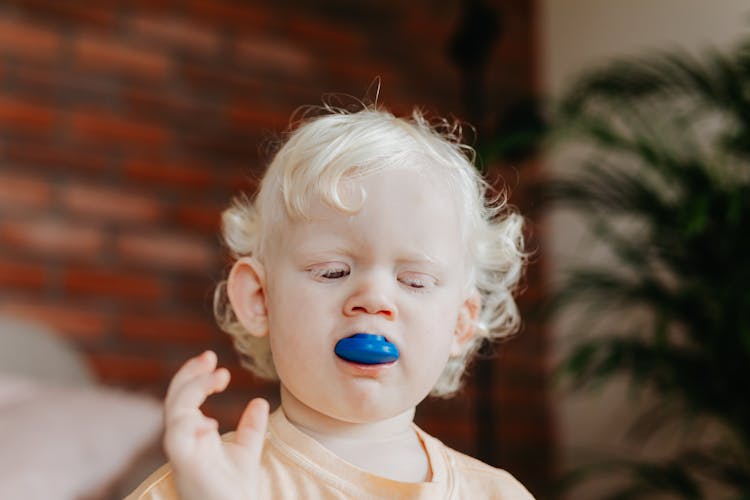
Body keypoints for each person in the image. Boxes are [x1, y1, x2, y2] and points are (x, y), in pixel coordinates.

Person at [127, 101, 533, 499]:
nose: (373, 299)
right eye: (333, 272)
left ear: (460, 323)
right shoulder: (203, 484)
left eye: (414, 281)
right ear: (259, 299)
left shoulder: (497, 494)